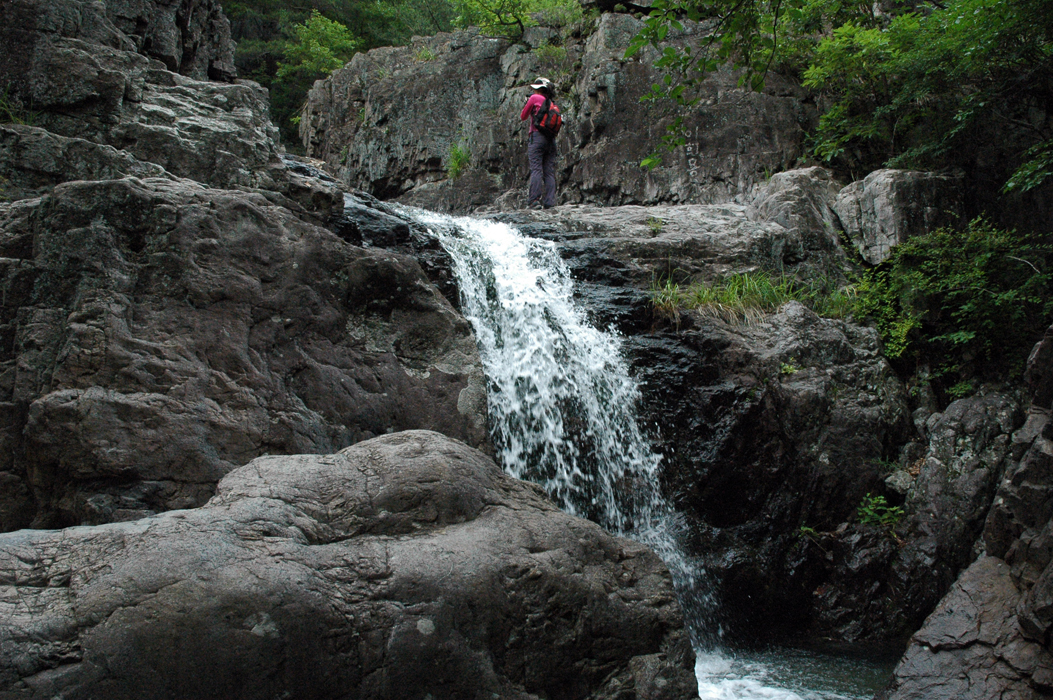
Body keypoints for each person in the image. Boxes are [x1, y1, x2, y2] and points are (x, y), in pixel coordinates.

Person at [520, 77, 558, 209]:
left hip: (536, 137)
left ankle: (534, 201)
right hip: (551, 140)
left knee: (536, 169)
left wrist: (528, 104)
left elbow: (523, 116)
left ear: (538, 89)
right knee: (549, 171)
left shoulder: (534, 98)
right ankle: (549, 202)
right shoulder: (551, 103)